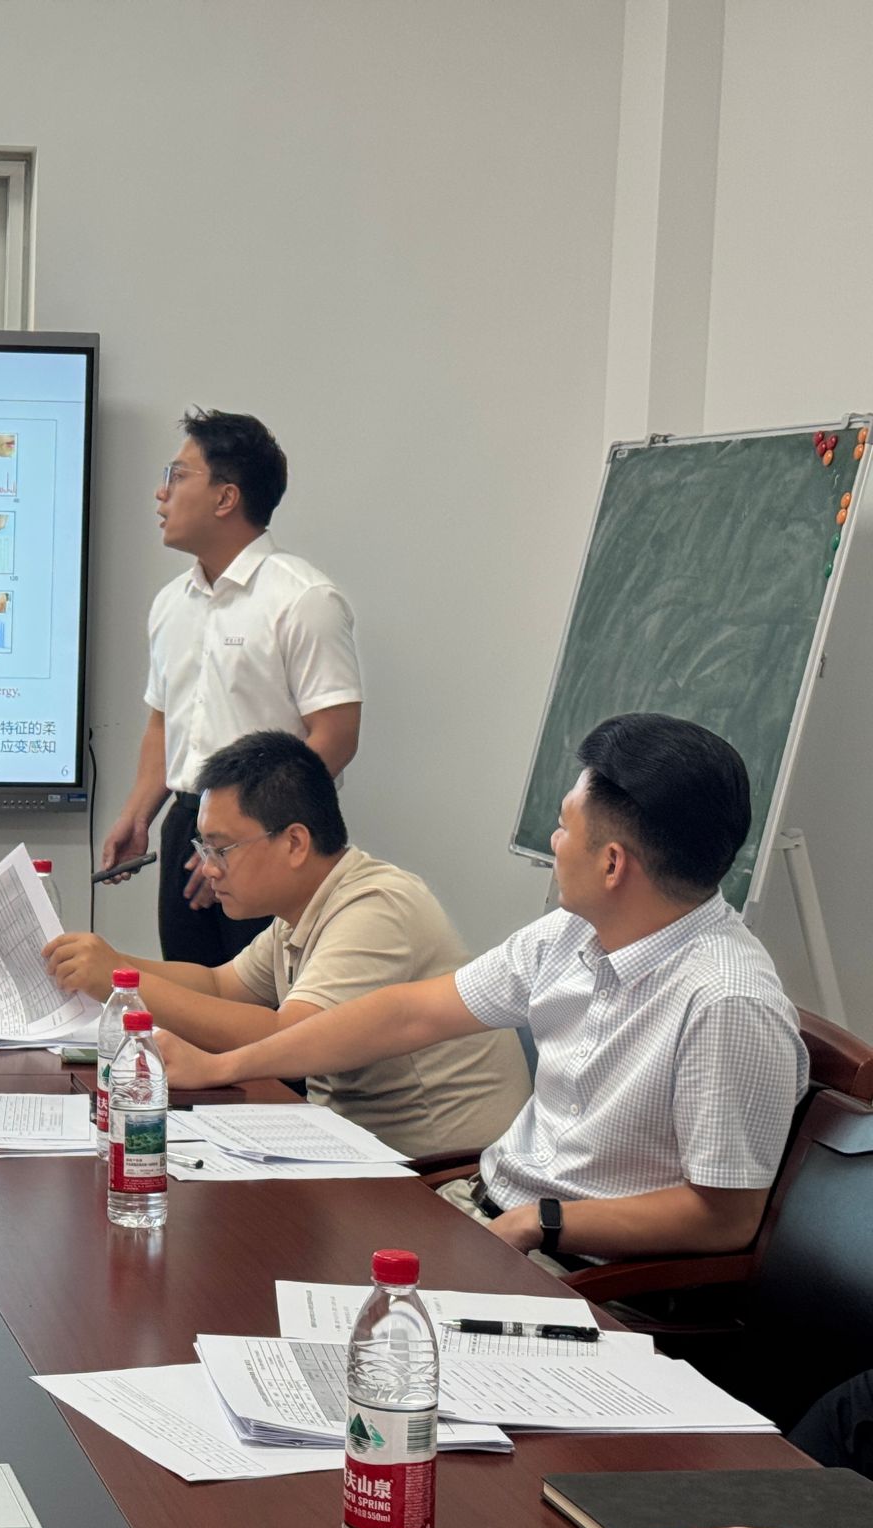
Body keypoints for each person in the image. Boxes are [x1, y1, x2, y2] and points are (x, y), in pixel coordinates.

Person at [159, 713, 806, 1275]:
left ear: (612, 864)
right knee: (245, 1246)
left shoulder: (727, 1001)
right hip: (483, 1211)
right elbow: (407, 1014)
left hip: (574, 1269)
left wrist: (541, 1223)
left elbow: (725, 1217)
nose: (552, 842)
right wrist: (222, 1066)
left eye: (563, 827)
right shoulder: (570, 934)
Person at [46, 731, 528, 1160]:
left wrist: (121, 983)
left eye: (221, 849)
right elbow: (219, 984)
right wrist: (110, 964)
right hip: (356, 1148)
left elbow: (287, 1033)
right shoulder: (300, 911)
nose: (208, 868)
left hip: (437, 1173)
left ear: (295, 842)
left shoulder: (376, 907)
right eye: (203, 849)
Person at [99, 408, 362, 967]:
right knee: (191, 990)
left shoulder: (303, 598)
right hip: (186, 827)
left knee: (265, 1006)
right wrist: (138, 815)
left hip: (270, 839)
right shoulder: (170, 603)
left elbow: (337, 735)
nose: (161, 493)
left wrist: (241, 835)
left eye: (177, 476)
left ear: (226, 498)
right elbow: (164, 722)